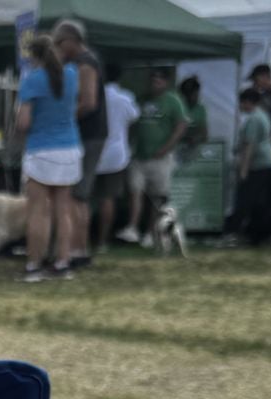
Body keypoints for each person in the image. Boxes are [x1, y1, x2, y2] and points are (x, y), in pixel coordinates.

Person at [16, 34, 81, 283]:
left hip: (41, 150)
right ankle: (63, 263)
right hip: (70, 148)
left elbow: (24, 122)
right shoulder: (72, 74)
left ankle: (34, 265)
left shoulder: (32, 80)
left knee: (38, 212)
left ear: (33, 56)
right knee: (64, 211)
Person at [51, 19, 104, 271]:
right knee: (80, 197)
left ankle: (73, 250)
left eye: (60, 44)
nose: (59, 50)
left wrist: (64, 117)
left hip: (87, 135)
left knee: (74, 195)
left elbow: (88, 102)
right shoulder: (87, 61)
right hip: (92, 135)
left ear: (72, 40)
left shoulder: (85, 64)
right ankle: (79, 249)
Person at [118, 67, 185, 248]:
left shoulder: (173, 101)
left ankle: (150, 232)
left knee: (157, 197)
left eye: (159, 80)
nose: (155, 83)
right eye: (153, 79)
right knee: (135, 191)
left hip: (161, 158)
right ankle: (132, 228)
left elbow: (181, 125)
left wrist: (167, 148)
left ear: (166, 82)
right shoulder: (142, 99)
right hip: (139, 155)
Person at [91, 59, 137, 251]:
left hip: (93, 152)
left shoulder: (92, 95)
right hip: (116, 156)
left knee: (83, 198)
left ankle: (79, 240)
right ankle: (102, 241)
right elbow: (134, 118)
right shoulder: (125, 97)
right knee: (107, 199)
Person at [232, 86, 271, 246]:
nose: (240, 106)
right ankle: (257, 235)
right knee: (260, 201)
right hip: (266, 163)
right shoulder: (263, 115)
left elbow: (249, 146)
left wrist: (244, 169)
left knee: (246, 200)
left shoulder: (253, 119)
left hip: (257, 165)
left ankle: (238, 233)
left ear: (249, 102)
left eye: (242, 103)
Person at [178, 76, 208, 148]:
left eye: (198, 93)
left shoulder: (200, 109)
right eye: (194, 94)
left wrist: (197, 138)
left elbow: (204, 133)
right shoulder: (177, 107)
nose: (197, 96)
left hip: (193, 147)